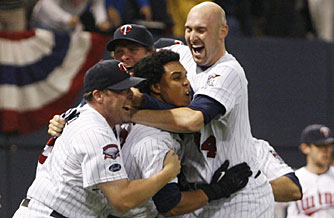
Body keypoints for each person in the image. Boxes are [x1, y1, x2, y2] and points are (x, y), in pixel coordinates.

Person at [48, 22, 302, 205]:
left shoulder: (163, 98)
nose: (125, 57)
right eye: (119, 52)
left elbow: (190, 117)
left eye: (133, 50)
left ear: (151, 54)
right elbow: (166, 204)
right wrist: (61, 123)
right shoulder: (122, 115)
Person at [128, 2, 299, 217]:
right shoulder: (180, 55)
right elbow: (143, 60)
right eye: (189, 29)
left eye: (201, 29)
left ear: (222, 31)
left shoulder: (228, 71)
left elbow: (192, 121)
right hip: (201, 195)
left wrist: (134, 112)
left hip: (239, 197)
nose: (192, 36)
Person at [12, 59, 181, 217]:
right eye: (121, 90)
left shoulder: (82, 115)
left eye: (130, 88)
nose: (130, 94)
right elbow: (122, 200)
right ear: (98, 95)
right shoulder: (96, 131)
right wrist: (167, 174)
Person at [285, 124, 334, 217]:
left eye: (329, 145)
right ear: (305, 148)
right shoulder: (291, 179)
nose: (327, 150)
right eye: (320, 146)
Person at [30, 0, 111, 33]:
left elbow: (97, 4)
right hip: (45, 23)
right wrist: (66, 18)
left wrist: (101, 20)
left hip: (68, 27)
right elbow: (47, 3)